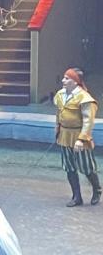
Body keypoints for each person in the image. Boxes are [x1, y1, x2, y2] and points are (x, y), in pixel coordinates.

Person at [53, 68, 101, 207]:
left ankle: (97, 189)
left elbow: (88, 121)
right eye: (64, 77)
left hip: (78, 136)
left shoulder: (84, 98)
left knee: (86, 167)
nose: (63, 81)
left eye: (67, 78)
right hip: (64, 135)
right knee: (69, 167)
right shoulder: (60, 95)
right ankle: (76, 196)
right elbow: (59, 114)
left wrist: (81, 139)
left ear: (75, 82)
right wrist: (57, 130)